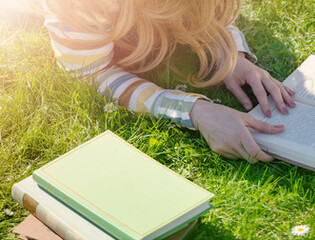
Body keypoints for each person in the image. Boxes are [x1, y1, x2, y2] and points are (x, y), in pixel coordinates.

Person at [38, 0, 294, 162]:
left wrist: (231, 55)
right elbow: (92, 74)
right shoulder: (79, 7)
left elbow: (213, 14)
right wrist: (195, 110)